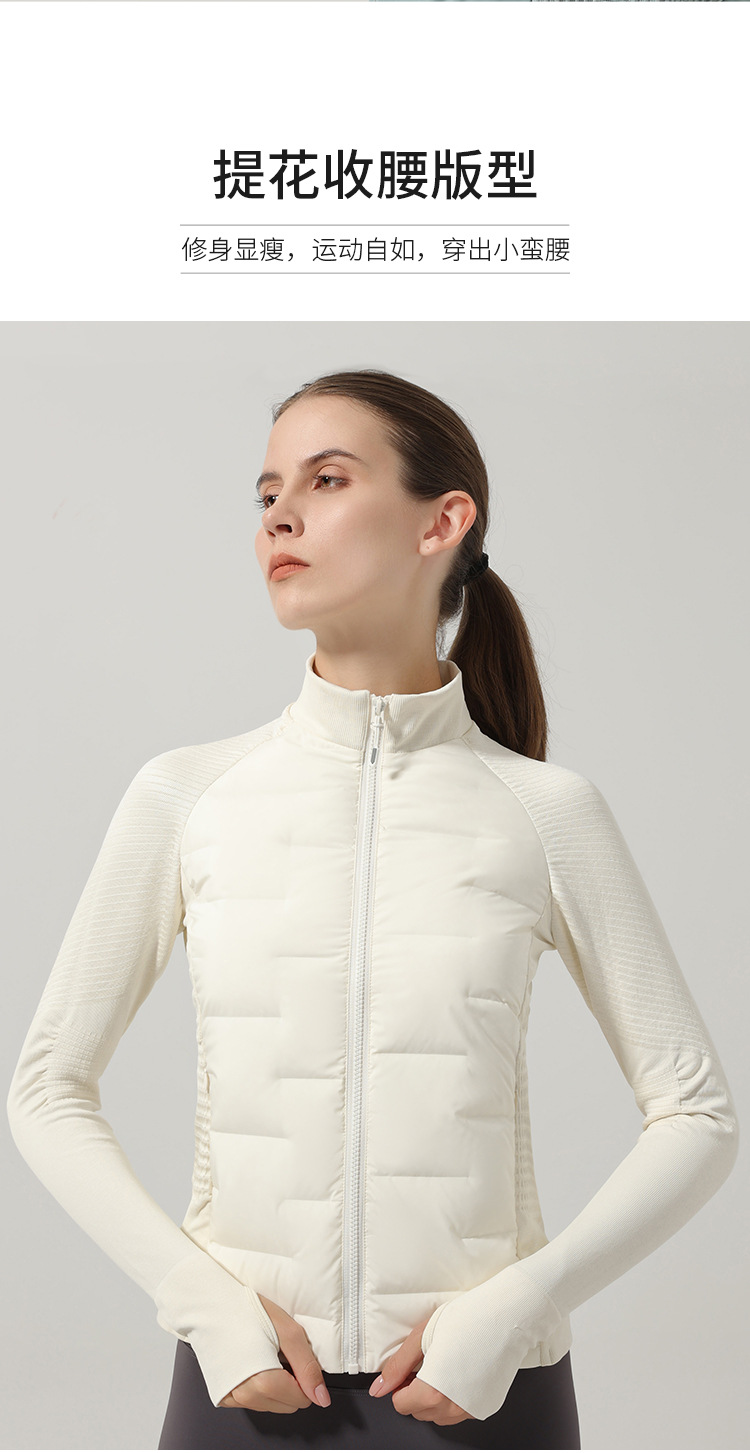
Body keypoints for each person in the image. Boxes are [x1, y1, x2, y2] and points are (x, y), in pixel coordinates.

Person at [6, 369, 738, 1451]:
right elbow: (46, 1086)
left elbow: (697, 1115)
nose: (279, 516)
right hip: (244, 1390)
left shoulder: (546, 813)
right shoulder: (187, 796)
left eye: (327, 480)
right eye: (267, 493)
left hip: (482, 1394)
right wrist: (203, 1303)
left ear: (442, 523)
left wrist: (516, 1307)